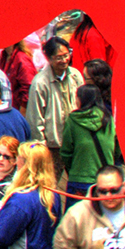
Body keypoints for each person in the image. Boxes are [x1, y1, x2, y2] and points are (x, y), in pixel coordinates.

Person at [25, 35, 81, 174]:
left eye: (66, 55)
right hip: (53, 146)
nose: (64, 60)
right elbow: (35, 119)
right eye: (59, 57)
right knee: (51, 183)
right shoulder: (40, 83)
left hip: (75, 143)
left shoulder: (75, 76)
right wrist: (42, 147)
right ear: (49, 58)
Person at [59, 84, 117, 195]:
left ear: (81, 99)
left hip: (80, 180)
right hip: (106, 180)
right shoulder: (108, 119)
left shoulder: (73, 120)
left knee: (77, 212)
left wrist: (75, 170)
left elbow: (66, 153)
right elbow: (116, 148)